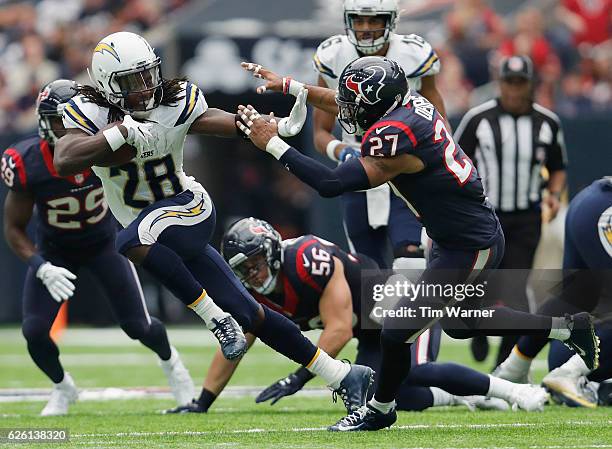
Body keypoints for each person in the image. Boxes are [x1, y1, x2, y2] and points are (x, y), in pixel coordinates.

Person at [237, 56, 599, 431]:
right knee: (459, 324)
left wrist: (274, 145)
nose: (347, 109)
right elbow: (345, 103)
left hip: (470, 243)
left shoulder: (394, 138)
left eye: (355, 104)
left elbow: (331, 184)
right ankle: (565, 327)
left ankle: (380, 410)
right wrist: (294, 88)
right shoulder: (406, 105)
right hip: (452, 235)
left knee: (395, 332)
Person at [52, 31, 374, 414]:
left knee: (128, 241)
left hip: (188, 207)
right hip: (155, 227)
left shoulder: (174, 102)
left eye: (149, 74)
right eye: (133, 82)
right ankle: (343, 375)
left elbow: (216, 120)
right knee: (253, 314)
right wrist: (119, 132)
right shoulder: (91, 112)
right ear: (107, 82)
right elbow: (65, 157)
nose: (146, 88)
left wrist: (268, 125)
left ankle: (216, 319)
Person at [165, 217, 548, 414]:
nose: (253, 275)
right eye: (244, 271)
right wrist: (204, 401)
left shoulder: (306, 259)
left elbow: (339, 328)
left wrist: (299, 377)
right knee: (378, 395)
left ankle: (515, 390)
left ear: (272, 250)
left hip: (399, 300)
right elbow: (237, 340)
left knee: (407, 372)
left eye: (255, 264)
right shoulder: (255, 291)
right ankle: (471, 398)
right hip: (371, 328)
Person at [1, 79, 193, 415]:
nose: (64, 127)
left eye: (71, 118)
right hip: (55, 250)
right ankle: (63, 388)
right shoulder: (26, 160)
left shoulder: (108, 151)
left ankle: (173, 365)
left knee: (139, 326)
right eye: (59, 119)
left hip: (103, 243)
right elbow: (14, 227)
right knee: (33, 331)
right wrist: (39, 266)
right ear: (44, 120)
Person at [312, 0, 447, 270]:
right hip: (359, 170)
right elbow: (320, 133)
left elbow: (439, 123)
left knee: (411, 265)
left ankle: (411, 314)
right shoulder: (334, 54)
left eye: (374, 20)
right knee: (368, 273)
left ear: (391, 21)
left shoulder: (413, 54)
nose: (365, 28)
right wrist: (342, 151)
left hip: (405, 169)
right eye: (359, 20)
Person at [454, 55, 567, 366]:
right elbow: (453, 161)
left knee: (516, 289)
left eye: (521, 83)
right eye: (509, 82)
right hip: (485, 217)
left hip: (526, 219)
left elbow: (557, 168)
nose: (515, 90)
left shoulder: (547, 122)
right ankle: (476, 331)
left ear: (530, 85)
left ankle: (502, 363)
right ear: (500, 83)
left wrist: (554, 194)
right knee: (476, 284)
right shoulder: (478, 119)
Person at [494, 177, 611, 407]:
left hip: (590, 203)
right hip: (604, 211)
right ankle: (570, 373)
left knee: (577, 293)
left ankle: (513, 369)